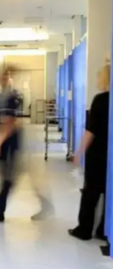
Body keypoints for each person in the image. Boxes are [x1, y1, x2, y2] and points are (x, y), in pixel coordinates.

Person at [0, 72, 52, 223]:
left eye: (6, 77)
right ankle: (44, 204)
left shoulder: (11, 97)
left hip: (11, 144)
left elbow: (9, 124)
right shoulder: (8, 96)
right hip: (13, 142)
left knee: (8, 179)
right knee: (18, 177)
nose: (2, 79)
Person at [69, 61, 110, 241]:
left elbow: (90, 131)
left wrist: (78, 153)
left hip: (98, 156)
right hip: (110, 156)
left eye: (99, 76)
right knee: (109, 193)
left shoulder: (100, 100)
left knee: (90, 194)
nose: (96, 80)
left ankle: (84, 230)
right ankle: (104, 230)